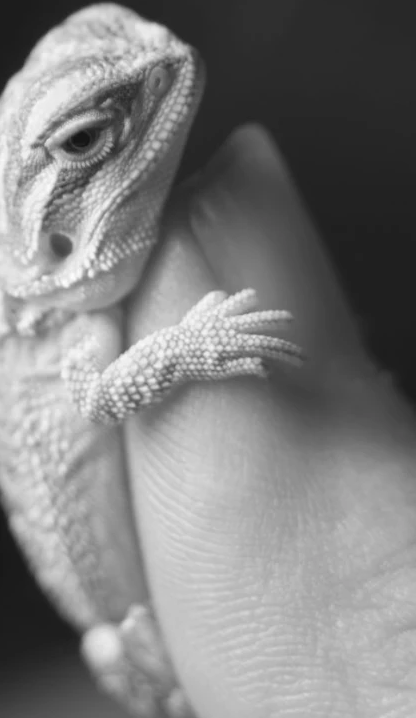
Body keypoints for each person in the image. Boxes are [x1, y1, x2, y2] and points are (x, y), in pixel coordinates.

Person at [124, 124, 416, 717]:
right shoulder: (48, 316)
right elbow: (93, 396)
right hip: (130, 630)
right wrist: (186, 346)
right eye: (85, 140)